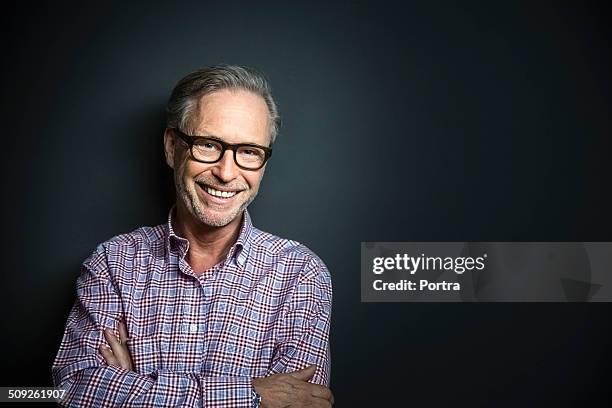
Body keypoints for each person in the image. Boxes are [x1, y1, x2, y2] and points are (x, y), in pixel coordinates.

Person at [52, 65, 333, 407]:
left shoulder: (301, 274)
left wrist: (132, 388)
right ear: (172, 147)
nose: (226, 173)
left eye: (248, 152)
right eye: (208, 144)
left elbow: (299, 403)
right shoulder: (112, 263)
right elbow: (72, 391)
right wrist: (252, 396)